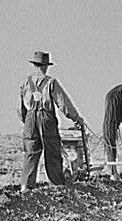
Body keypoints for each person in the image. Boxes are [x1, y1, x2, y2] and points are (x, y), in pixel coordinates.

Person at [18, 51, 84, 192]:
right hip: (46, 118)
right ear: (46, 66)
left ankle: (25, 186)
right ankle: (56, 186)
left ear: (34, 65)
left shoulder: (26, 82)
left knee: (30, 152)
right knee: (52, 152)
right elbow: (64, 104)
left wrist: (27, 121)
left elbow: (21, 108)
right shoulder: (51, 82)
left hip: (30, 118)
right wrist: (77, 118)